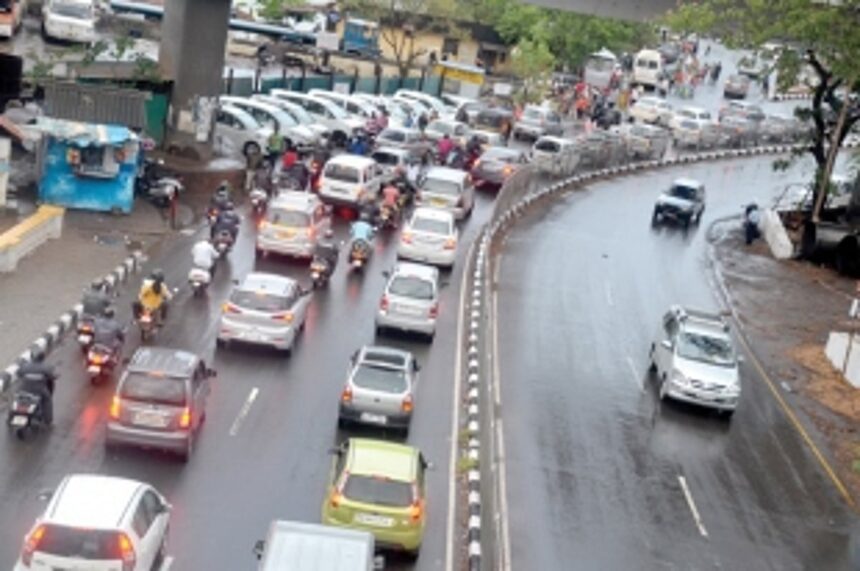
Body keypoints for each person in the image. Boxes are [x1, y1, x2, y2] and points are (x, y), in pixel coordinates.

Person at [15, 349, 57, 426]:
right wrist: (55, 376)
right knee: (47, 400)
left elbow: (18, 373)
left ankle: (11, 414)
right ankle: (48, 420)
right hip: (39, 390)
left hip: (24, 388)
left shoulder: (25, 366)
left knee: (16, 397)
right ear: (43, 357)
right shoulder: (46, 367)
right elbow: (52, 376)